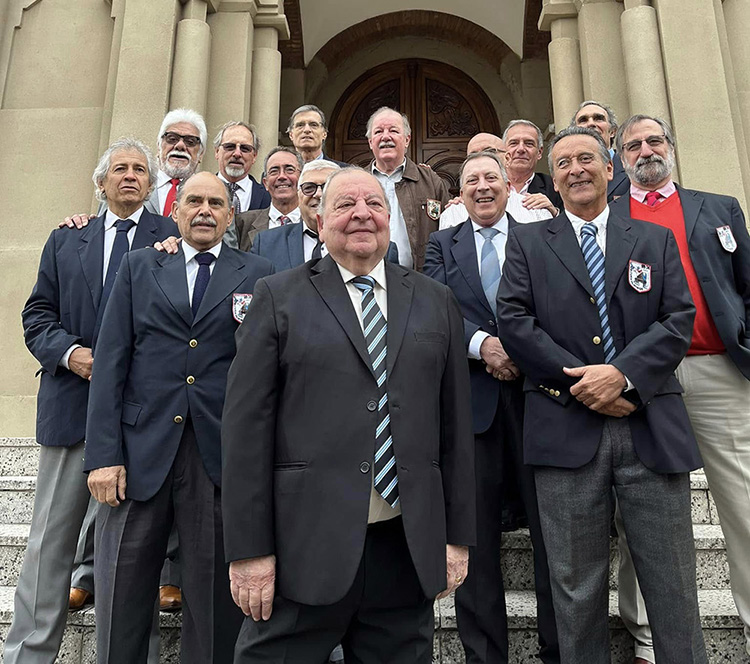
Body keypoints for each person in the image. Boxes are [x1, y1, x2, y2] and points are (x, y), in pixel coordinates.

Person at [222, 167, 476, 663]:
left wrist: (456, 538)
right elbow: (245, 430)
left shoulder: (435, 300)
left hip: (403, 549)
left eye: (374, 204)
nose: (362, 214)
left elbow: (455, 429)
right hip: (303, 550)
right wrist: (250, 551)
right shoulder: (278, 296)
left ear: (388, 218)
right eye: (345, 205)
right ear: (318, 219)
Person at [496, 125, 707, 664]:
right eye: (563, 162)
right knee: (575, 588)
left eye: (586, 158)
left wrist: (623, 375)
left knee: (674, 585)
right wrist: (584, 385)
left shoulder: (653, 241)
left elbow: (677, 318)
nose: (575, 169)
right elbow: (515, 323)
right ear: (554, 176)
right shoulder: (526, 241)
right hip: (566, 431)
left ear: (610, 169)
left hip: (650, 426)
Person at [83, 172, 273, 664]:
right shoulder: (138, 266)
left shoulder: (259, 273)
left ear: (231, 215)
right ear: (176, 210)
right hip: (138, 456)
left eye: (216, 202)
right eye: (194, 201)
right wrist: (103, 455)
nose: (205, 209)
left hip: (218, 458)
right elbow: (110, 363)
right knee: (121, 597)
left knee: (214, 610)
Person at [4, 139, 177, 664]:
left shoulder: (171, 238)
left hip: (139, 420)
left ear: (152, 185)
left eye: (140, 171)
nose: (130, 177)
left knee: (132, 555)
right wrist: (74, 354)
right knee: (49, 546)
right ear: (100, 183)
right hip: (71, 410)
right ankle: (28, 654)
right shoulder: (66, 238)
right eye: (119, 170)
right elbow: (37, 316)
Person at [612, 114, 750, 662]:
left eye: (654, 140)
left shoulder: (718, 208)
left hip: (718, 369)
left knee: (743, 503)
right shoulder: (609, 215)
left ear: (671, 145)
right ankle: (646, 638)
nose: (645, 150)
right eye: (633, 145)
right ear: (619, 159)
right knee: (640, 511)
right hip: (647, 380)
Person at [424, 151, 559, 664]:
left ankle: (558, 647)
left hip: (539, 401)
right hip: (471, 405)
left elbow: (554, 306)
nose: (482, 187)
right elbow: (436, 310)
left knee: (551, 534)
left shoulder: (539, 240)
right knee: (474, 539)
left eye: (491, 178)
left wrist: (522, 352)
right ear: (459, 194)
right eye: (471, 180)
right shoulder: (441, 245)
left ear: (510, 187)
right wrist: (485, 346)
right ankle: (484, 655)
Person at [250, 160, 401, 268]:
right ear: (298, 195)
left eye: (327, 187)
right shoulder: (266, 243)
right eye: (309, 188)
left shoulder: (381, 248)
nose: (319, 194)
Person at [366, 106, 450, 270]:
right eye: (378, 132)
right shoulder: (357, 181)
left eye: (393, 131)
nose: (385, 137)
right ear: (370, 142)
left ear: (407, 140)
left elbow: (450, 230)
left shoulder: (430, 181)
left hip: (420, 280)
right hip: (367, 279)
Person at [235, 147, 302, 250]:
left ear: (302, 178)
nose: (282, 176)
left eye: (289, 169)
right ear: (265, 183)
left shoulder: (314, 222)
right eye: (274, 171)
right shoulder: (243, 223)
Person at [438, 134, 507, 230]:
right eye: (473, 155)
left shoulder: (530, 209)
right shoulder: (454, 213)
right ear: (461, 193)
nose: (481, 158)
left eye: (489, 151)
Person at [149, 108, 207, 215]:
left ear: (201, 154)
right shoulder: (139, 184)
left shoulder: (211, 192)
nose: (180, 146)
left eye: (190, 141)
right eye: (172, 138)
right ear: (159, 146)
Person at [502, 120, 561, 222]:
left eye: (529, 144)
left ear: (539, 152)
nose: (521, 149)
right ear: (504, 150)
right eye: (514, 143)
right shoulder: (489, 185)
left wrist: (554, 213)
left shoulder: (555, 188)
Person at [572, 100, 629, 201]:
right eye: (583, 120)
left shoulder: (631, 167)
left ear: (612, 131)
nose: (591, 124)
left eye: (598, 118)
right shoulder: (567, 173)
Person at [214, 120, 270, 212]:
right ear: (217, 152)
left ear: (254, 156)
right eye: (230, 146)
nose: (237, 154)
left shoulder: (268, 197)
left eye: (245, 148)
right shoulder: (199, 190)